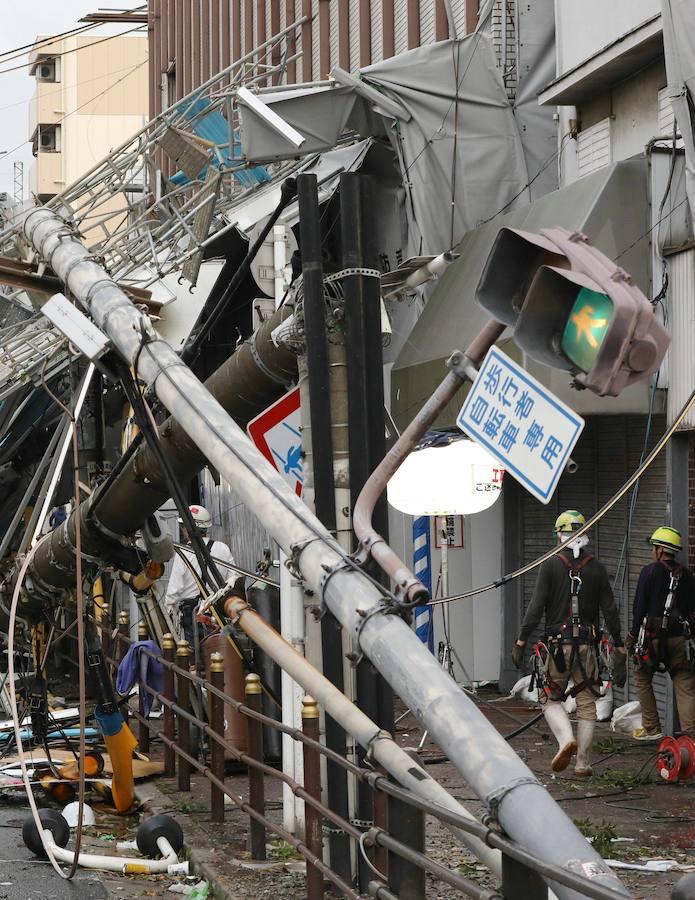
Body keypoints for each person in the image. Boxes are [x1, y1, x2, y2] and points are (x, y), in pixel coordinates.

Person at [511, 510, 626, 776]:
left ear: (559, 535)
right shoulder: (597, 568)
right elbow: (610, 610)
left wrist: (521, 640)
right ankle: (583, 763)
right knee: (587, 704)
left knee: (549, 698)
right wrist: (619, 647)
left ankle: (565, 741)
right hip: (588, 647)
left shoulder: (550, 565)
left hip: (557, 647)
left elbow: (536, 607)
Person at [627, 526, 695, 741]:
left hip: (651, 639)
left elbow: (639, 608)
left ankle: (651, 728)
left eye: (653, 548)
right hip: (678, 639)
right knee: (685, 686)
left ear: (659, 550)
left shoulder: (650, 571)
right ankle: (690, 738)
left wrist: (632, 635)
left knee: (642, 677)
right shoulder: (687, 575)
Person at [164, 505, 235, 647]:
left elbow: (174, 590)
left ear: (188, 528)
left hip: (192, 613)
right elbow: (233, 579)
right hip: (218, 612)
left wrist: (168, 611)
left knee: (192, 655)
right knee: (217, 649)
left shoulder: (184, 553)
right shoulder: (223, 548)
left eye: (183, 526)